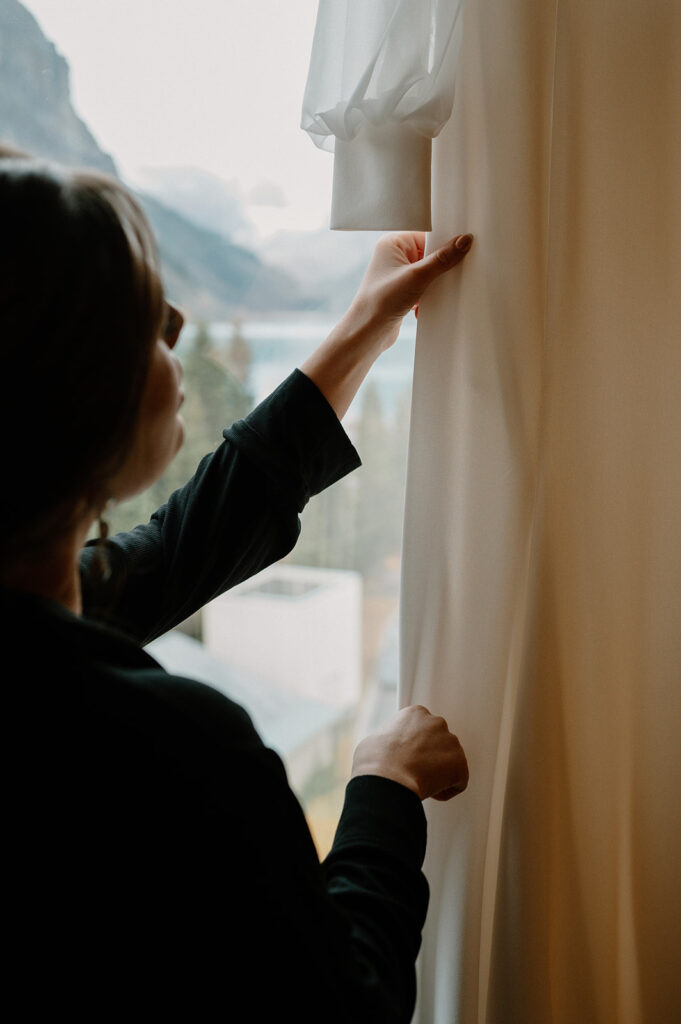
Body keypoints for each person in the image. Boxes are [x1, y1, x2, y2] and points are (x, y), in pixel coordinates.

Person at [0, 145, 472, 1021]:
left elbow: (183, 544)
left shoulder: (43, 596)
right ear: (74, 394)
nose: (179, 327)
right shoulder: (176, 751)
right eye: (147, 319)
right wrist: (382, 790)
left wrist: (360, 328)